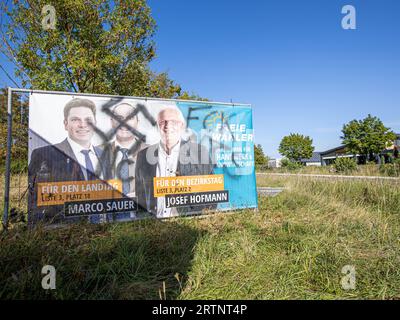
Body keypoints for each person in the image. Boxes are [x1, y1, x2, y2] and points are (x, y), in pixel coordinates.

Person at [29, 98, 109, 223]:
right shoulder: (44, 154)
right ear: (65, 124)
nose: (83, 125)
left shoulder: (105, 154)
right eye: (75, 119)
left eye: (88, 120)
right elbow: (36, 199)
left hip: (106, 229)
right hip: (67, 233)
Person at [135, 107, 215, 218]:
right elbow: (140, 194)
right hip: (153, 224)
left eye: (173, 122)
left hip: (186, 223)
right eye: (163, 122)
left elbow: (212, 191)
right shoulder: (143, 155)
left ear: (181, 125)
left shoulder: (199, 153)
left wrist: (199, 219)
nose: (168, 126)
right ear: (158, 126)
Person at [100, 102, 148, 221]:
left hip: (146, 221)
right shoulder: (97, 152)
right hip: (109, 224)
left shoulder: (153, 152)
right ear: (112, 122)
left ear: (137, 122)